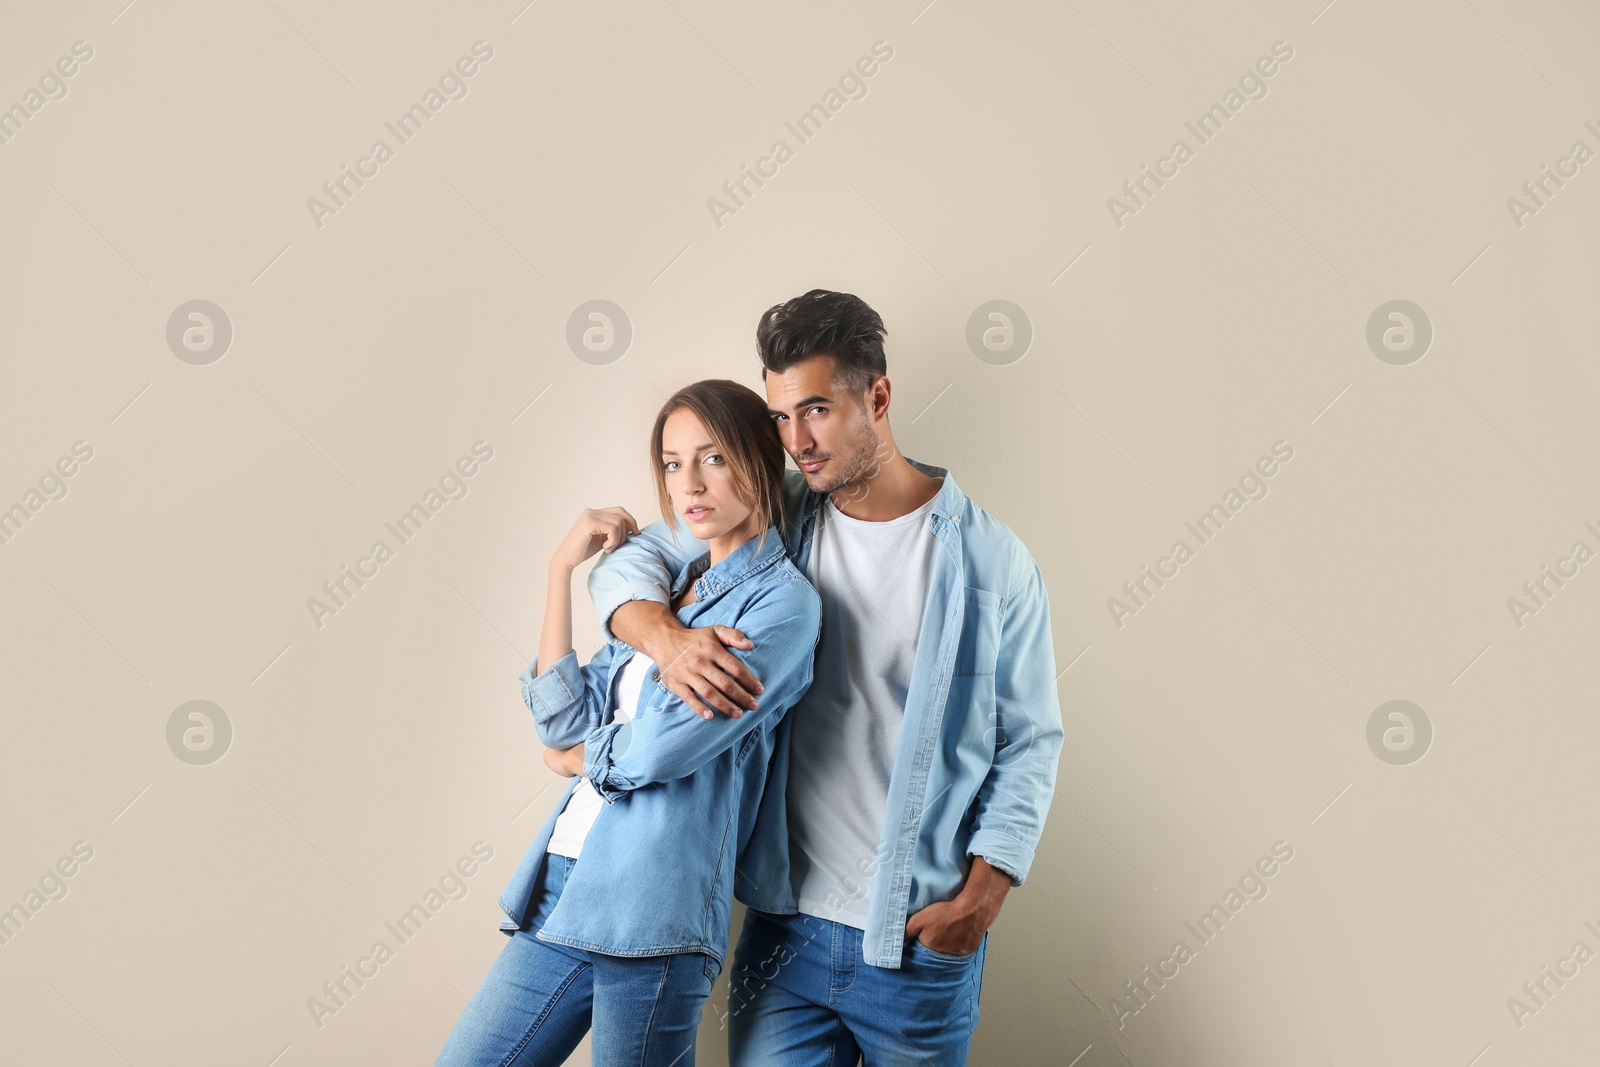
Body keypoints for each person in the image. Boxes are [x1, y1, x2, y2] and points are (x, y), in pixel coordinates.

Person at [583, 290, 1065, 1065]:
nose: (795, 440)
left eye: (815, 410)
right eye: (780, 416)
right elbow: (632, 564)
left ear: (876, 397)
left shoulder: (989, 562)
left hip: (914, 943)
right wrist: (667, 639)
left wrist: (976, 904)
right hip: (782, 936)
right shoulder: (779, 518)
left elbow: (1030, 740)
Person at [434, 379, 822, 1067]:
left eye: (713, 458)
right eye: (673, 463)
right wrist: (559, 571)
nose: (689, 483)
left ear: (762, 459)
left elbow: (665, 748)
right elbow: (563, 724)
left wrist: (578, 760)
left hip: (652, 906)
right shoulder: (667, 593)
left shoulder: (783, 606)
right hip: (563, 882)